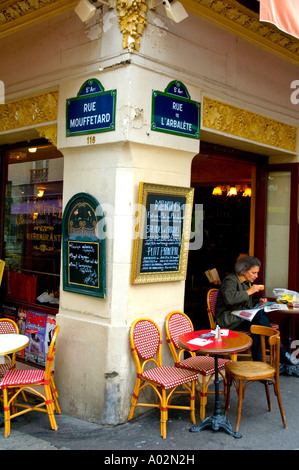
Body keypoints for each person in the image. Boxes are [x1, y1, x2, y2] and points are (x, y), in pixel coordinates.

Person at [215, 255, 298, 364]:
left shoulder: (247, 282)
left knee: (257, 326)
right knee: (258, 317)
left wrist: (258, 302)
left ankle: (259, 363)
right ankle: (281, 353)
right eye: (254, 273)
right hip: (228, 319)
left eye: (257, 273)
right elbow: (229, 299)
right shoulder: (230, 280)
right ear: (244, 271)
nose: (256, 276)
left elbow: (244, 304)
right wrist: (249, 292)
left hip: (239, 318)